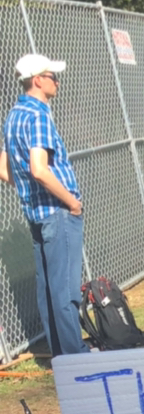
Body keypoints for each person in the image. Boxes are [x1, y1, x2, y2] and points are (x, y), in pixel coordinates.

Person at [0, 53, 87, 356]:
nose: (57, 82)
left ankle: (61, 354)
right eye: (53, 77)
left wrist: (28, 188)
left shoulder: (13, 116)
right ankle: (76, 358)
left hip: (35, 214)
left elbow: (4, 169)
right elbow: (39, 169)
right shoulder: (39, 115)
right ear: (38, 80)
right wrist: (72, 203)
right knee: (65, 290)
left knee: (48, 290)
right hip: (58, 212)